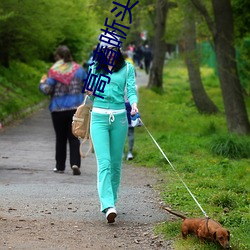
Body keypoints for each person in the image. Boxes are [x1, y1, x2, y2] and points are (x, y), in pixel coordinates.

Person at [86, 33, 138, 223]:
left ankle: (112, 201)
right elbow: (90, 97)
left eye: (111, 49)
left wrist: (134, 104)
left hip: (119, 119)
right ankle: (108, 205)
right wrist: (90, 92)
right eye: (104, 49)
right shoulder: (94, 67)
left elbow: (131, 91)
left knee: (116, 164)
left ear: (117, 49)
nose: (107, 52)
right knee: (105, 162)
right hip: (98, 118)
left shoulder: (127, 69)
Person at [39, 45, 87, 175]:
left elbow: (47, 90)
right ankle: (75, 163)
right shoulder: (79, 69)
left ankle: (60, 167)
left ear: (58, 57)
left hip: (58, 109)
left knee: (60, 138)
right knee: (74, 136)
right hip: (75, 109)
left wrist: (42, 83)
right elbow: (87, 85)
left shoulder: (54, 71)